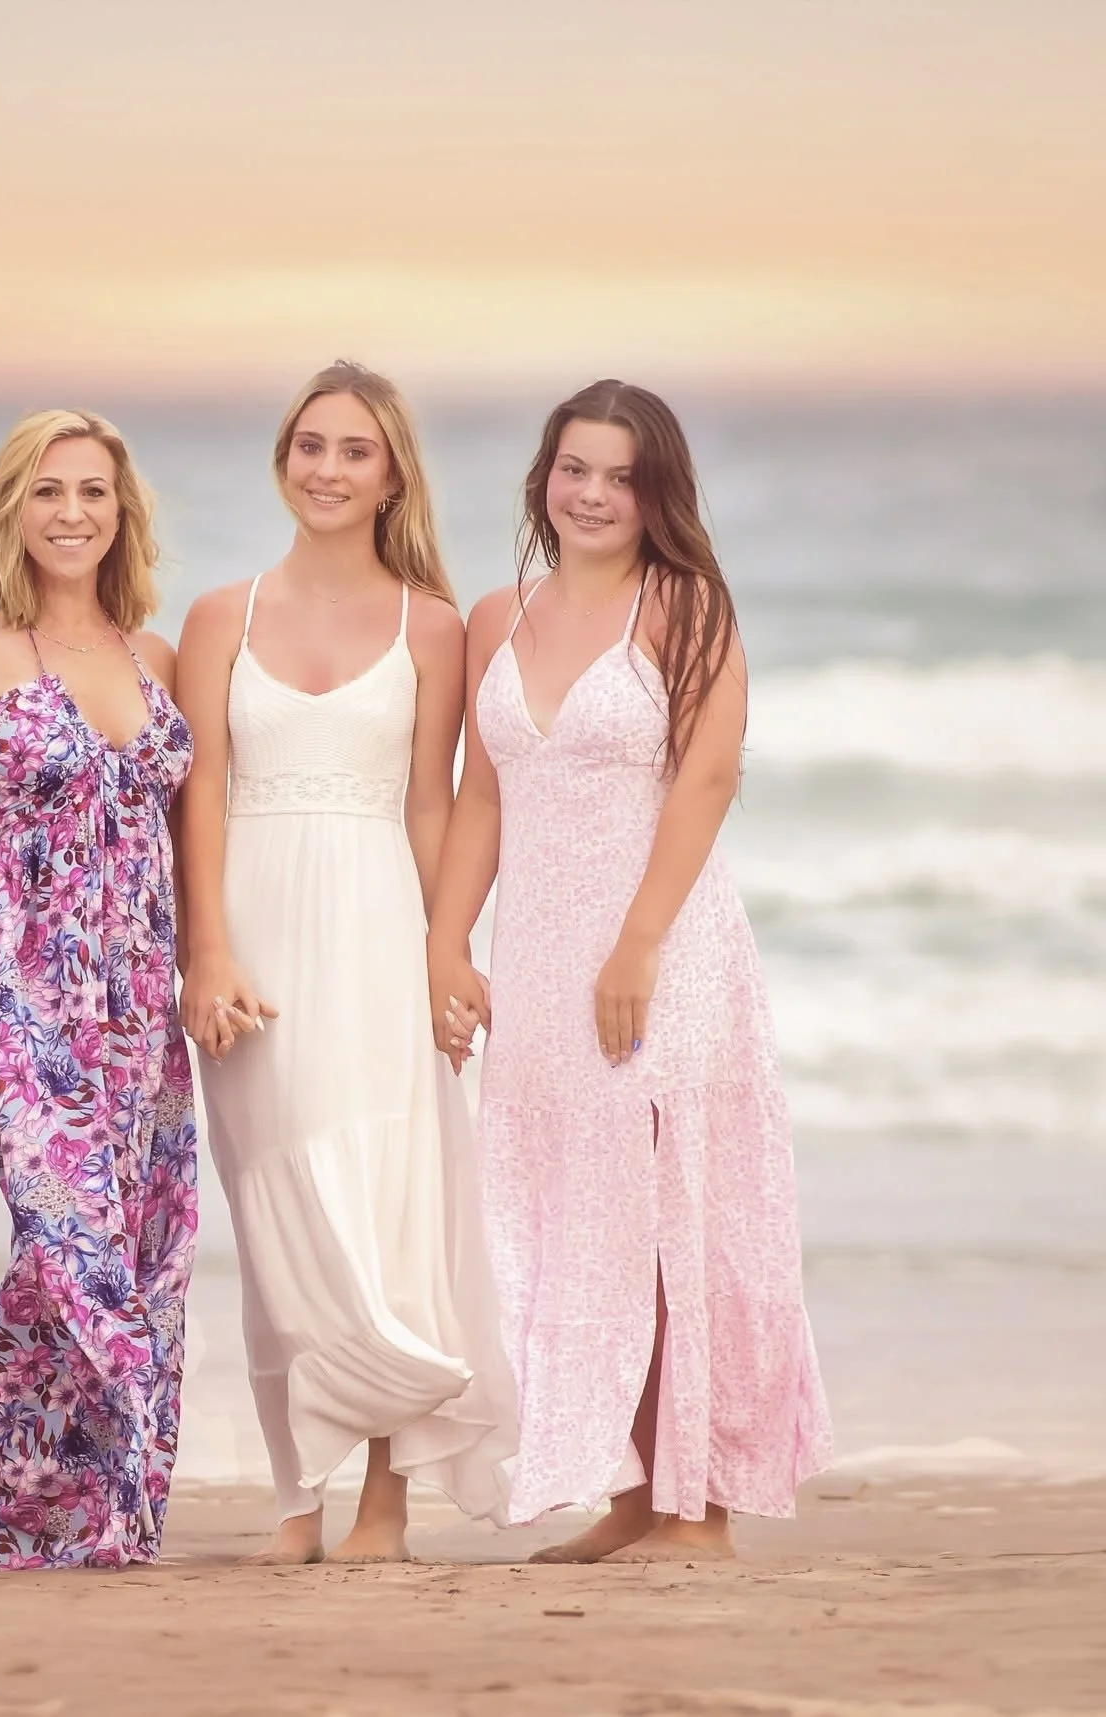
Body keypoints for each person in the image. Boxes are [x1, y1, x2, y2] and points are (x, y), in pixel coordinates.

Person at [428, 379, 831, 1562]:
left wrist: (639, 943)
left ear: (656, 491)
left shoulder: (684, 604)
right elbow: (479, 797)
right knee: (584, 1221)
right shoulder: (497, 615)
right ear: (540, 478)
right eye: (571, 468)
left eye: (617, 474)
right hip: (541, 960)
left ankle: (694, 1513)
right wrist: (447, 942)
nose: (591, 494)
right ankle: (635, 1492)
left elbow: (708, 775)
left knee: (673, 1220)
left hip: (661, 952)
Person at [176, 363, 517, 1566]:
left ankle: (385, 1499)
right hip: (253, 939)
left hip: (376, 924)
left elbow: (432, 803)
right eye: (309, 445)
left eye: (353, 451)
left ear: (390, 476)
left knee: (382, 1205)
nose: (326, 468)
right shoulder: (221, 615)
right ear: (283, 459)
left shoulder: (431, 625)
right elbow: (199, 792)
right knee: (277, 1217)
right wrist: (202, 949)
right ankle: (293, 1498)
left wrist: (445, 952)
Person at [0, 410, 199, 1568]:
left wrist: (210, 966)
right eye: (47, 492)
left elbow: (193, 831)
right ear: (10, 511)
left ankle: (81, 1507)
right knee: (62, 1234)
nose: (71, 512)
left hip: (139, 982)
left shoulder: (159, 656)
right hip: (22, 976)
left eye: (91, 490)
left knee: (141, 1237)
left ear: (119, 510)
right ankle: (36, 1498)